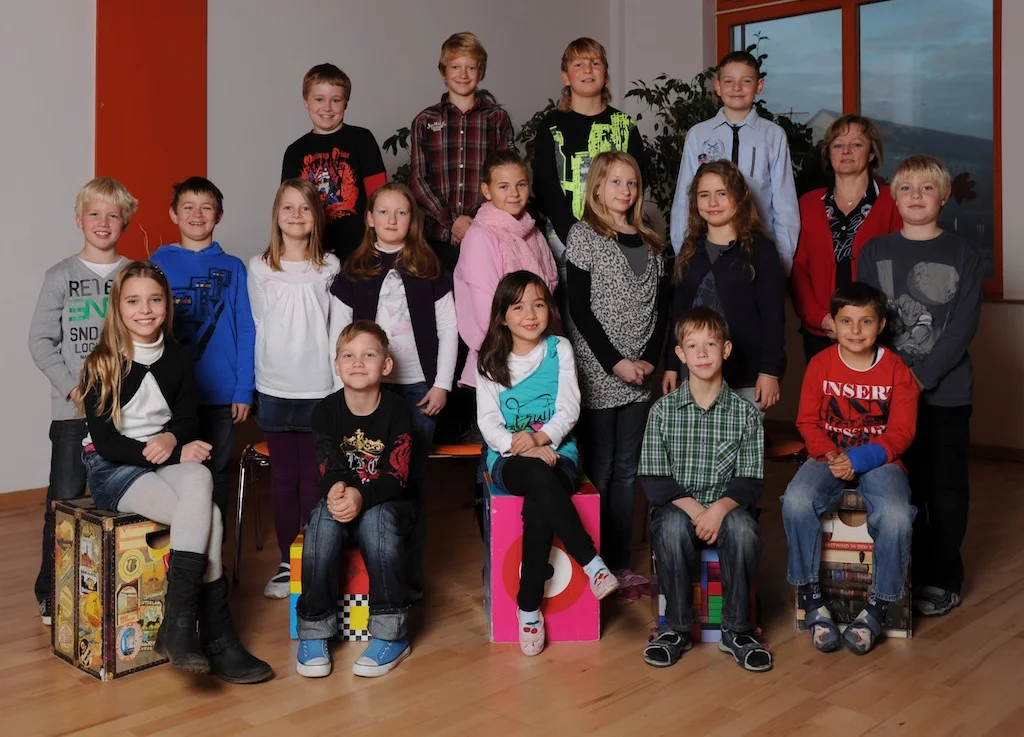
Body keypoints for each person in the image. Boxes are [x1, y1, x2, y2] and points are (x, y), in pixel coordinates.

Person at [79, 261, 272, 683]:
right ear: (118, 307)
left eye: (155, 300)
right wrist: (172, 450)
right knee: (211, 515)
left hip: (158, 457)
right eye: (133, 301)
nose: (145, 310)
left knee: (201, 479)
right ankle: (216, 636)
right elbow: (107, 442)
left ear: (168, 304)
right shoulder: (102, 362)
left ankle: (179, 624)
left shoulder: (179, 356)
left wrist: (172, 438)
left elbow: (186, 419)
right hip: (113, 468)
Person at [856, 154, 983, 617]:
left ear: (943, 197)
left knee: (944, 489)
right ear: (894, 197)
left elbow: (962, 327)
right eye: (907, 188)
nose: (916, 196)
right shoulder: (875, 252)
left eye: (927, 189)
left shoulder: (964, 254)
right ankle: (902, 575)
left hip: (946, 394)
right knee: (898, 487)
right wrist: (889, 379)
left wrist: (920, 376)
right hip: (887, 394)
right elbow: (865, 320)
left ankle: (942, 579)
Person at [476, 271, 619, 656]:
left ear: (550, 310)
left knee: (541, 496)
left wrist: (540, 439)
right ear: (502, 316)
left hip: (559, 454)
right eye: (518, 306)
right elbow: (488, 422)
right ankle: (591, 561)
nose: (530, 314)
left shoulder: (559, 349)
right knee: (539, 476)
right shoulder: (489, 359)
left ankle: (527, 608)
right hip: (508, 458)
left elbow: (569, 407)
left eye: (538, 304)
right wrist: (518, 445)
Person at [330, 182, 458, 597]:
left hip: (419, 389)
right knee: (364, 476)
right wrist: (341, 388)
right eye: (383, 212)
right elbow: (338, 332)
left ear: (412, 220)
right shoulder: (354, 268)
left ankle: (407, 575)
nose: (392, 219)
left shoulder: (430, 266)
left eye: (401, 212)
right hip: (367, 392)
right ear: (369, 218)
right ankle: (363, 576)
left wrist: (441, 384)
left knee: (410, 481)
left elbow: (449, 328)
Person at [783, 282, 918, 655]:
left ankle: (877, 607)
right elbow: (807, 421)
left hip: (880, 458)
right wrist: (831, 455)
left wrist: (856, 460)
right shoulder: (820, 364)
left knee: (896, 515)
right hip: (828, 454)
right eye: (846, 321)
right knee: (796, 500)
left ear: (881, 325)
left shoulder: (896, 370)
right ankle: (812, 598)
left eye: (866, 322)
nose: (855, 330)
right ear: (833, 323)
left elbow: (902, 432)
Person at [639, 307, 770, 672]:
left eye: (710, 344)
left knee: (743, 530)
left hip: (727, 509)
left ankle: (737, 630)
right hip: (678, 509)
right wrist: (699, 512)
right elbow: (654, 478)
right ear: (680, 354)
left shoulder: (745, 414)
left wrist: (718, 510)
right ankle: (676, 629)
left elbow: (750, 480)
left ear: (725, 350)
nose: (701, 353)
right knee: (669, 527)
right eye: (692, 345)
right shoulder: (663, 411)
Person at [28, 176, 135, 625]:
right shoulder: (60, 276)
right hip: (73, 412)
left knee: (123, 498)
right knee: (64, 500)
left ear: (125, 222)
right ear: (79, 220)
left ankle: (119, 585)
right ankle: (52, 590)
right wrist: (74, 388)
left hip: (125, 412)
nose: (103, 222)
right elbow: (40, 341)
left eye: (113, 215)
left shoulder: (134, 274)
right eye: (94, 214)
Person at [565, 151, 669, 597]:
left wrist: (647, 360)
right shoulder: (584, 235)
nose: (625, 190)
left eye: (632, 183)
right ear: (597, 187)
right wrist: (615, 362)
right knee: (600, 469)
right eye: (615, 182)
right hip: (599, 368)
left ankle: (621, 564)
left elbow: (661, 310)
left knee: (627, 471)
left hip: (640, 372)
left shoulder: (652, 240)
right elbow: (579, 309)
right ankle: (594, 565)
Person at [295, 321, 414, 678]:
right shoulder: (325, 411)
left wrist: (362, 495)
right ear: (336, 365)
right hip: (343, 499)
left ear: (386, 365)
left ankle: (391, 634)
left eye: (369, 355)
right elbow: (328, 467)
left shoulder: (397, 410)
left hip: (388, 503)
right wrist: (337, 490)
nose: (358, 362)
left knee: (378, 520)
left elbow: (397, 477)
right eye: (348, 355)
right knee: (321, 520)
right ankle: (314, 628)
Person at [248, 179, 343, 599]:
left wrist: (338, 387)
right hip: (274, 388)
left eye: (305, 207)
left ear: (316, 216)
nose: (296, 215)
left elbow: (337, 327)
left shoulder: (330, 266)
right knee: (284, 479)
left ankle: (313, 554)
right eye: (288, 207)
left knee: (313, 478)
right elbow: (259, 323)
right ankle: (288, 562)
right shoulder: (259, 267)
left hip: (318, 388)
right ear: (276, 215)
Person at [151, 177, 255, 516]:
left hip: (222, 394)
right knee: (174, 471)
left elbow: (247, 329)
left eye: (206, 208)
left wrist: (244, 389)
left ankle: (214, 547)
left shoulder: (234, 267)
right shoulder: (158, 263)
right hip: (172, 392)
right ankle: (180, 544)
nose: (197, 215)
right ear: (173, 214)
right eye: (188, 207)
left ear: (219, 215)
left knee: (216, 472)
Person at [662, 160, 785, 416]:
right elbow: (679, 314)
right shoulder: (689, 251)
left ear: (739, 197)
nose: (713, 202)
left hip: (747, 377)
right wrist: (672, 366)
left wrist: (770, 370)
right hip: (694, 376)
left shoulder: (761, 250)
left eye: (722, 193)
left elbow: (773, 316)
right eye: (704, 195)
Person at [532, 37, 645, 301]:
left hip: (618, 238)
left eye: (595, 63)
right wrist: (577, 236)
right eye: (578, 64)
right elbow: (545, 187)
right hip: (564, 241)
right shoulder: (550, 126)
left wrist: (615, 234)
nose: (587, 70)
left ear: (606, 75)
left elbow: (637, 182)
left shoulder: (625, 125)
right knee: (573, 313)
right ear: (565, 77)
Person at [669, 50, 799, 274]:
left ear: (759, 86)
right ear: (718, 87)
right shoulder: (698, 135)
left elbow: (784, 202)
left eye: (745, 81)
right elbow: (684, 197)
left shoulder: (773, 135)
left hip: (757, 250)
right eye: (729, 81)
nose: (737, 88)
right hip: (707, 249)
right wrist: (683, 253)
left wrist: (781, 261)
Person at [791, 114, 902, 361]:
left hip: (876, 332)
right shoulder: (807, 204)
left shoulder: (892, 203)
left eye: (857, 144)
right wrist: (820, 318)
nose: (846, 151)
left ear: (872, 154)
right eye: (838, 145)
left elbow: (899, 270)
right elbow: (799, 271)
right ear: (829, 154)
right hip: (821, 332)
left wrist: (871, 320)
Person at [410, 31, 516, 273]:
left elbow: (505, 176)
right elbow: (418, 181)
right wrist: (452, 222)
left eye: (471, 67)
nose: (463, 74)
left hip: (487, 233)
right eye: (455, 67)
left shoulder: (496, 118)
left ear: (481, 72)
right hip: (436, 237)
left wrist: (475, 223)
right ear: (443, 71)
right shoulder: (425, 120)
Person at [454, 149, 558, 389]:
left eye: (521, 184)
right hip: (500, 357)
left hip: (539, 352)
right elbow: (486, 311)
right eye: (503, 187)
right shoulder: (479, 236)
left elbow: (549, 289)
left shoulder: (533, 232)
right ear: (486, 190)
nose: (514, 193)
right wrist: (519, 356)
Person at [281, 63, 387, 262]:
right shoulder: (295, 151)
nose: (327, 107)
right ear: (305, 101)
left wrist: (379, 244)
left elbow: (380, 196)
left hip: (360, 250)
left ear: (345, 102)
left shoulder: (362, 139)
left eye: (335, 100)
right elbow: (287, 207)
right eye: (319, 99)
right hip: (311, 252)